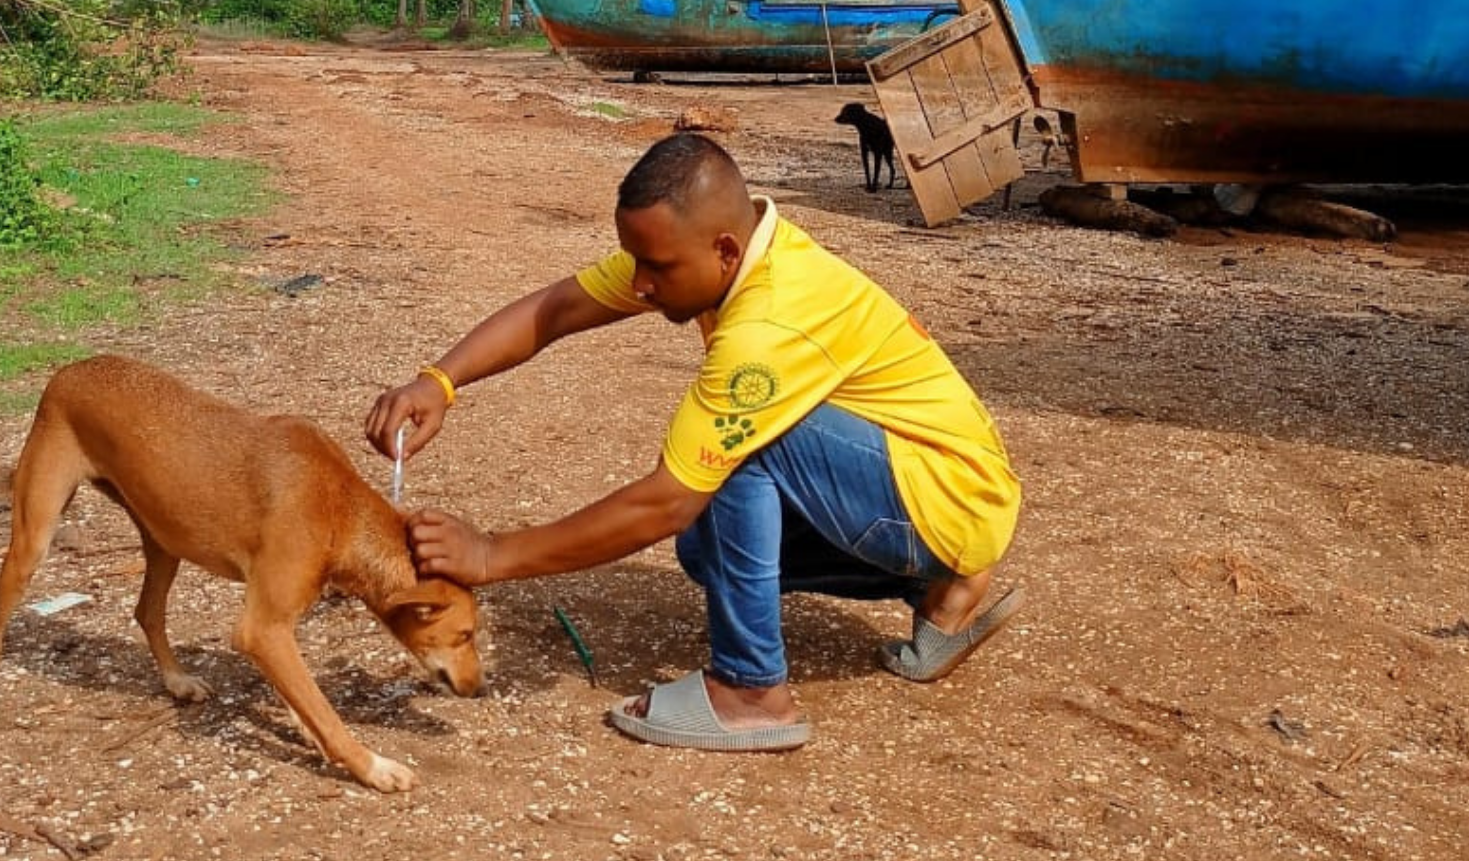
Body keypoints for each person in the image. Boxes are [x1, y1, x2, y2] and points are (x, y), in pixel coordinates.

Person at [364, 133, 1022, 751]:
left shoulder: (766, 324)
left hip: (943, 494)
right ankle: (943, 591)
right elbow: (558, 308)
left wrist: (490, 555)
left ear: (726, 251)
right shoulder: (713, 253)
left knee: (730, 455)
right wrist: (439, 381)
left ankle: (751, 691)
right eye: (637, 262)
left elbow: (664, 502)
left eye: (656, 267)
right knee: (707, 548)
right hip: (945, 492)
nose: (641, 284)